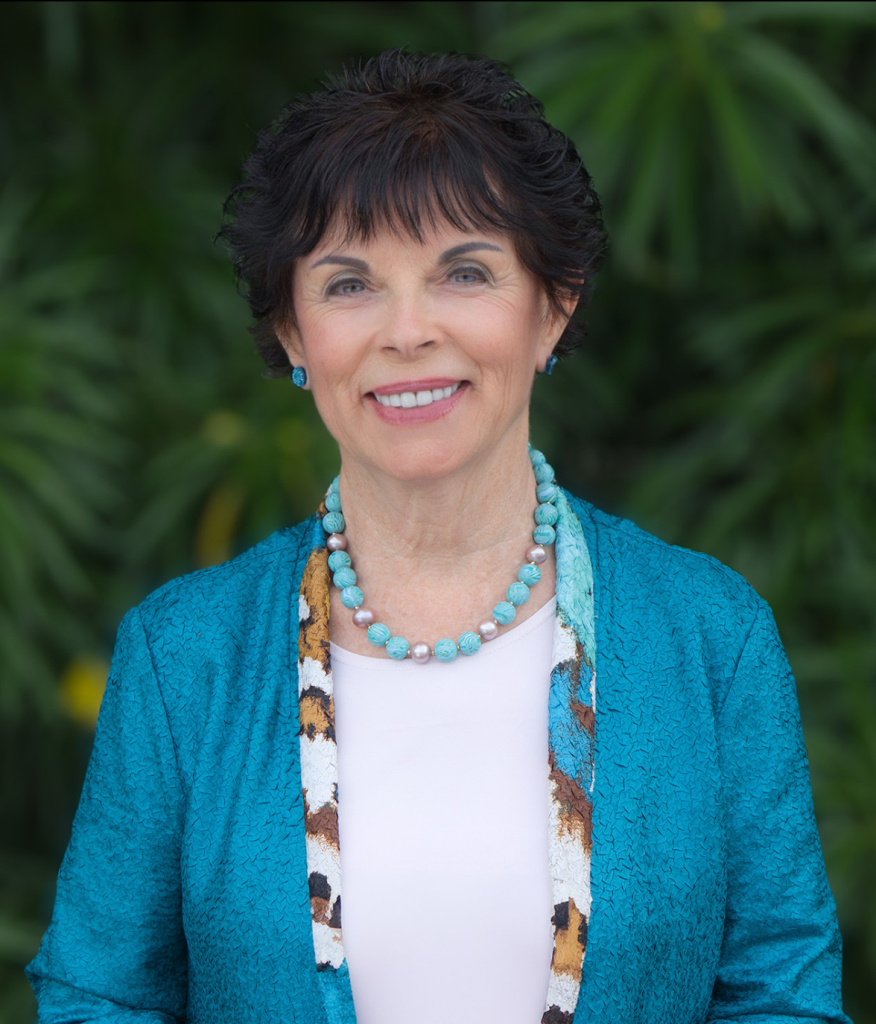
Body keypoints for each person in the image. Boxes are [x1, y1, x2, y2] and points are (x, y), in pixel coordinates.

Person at [27, 49, 849, 1024]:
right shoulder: (183, 656)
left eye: (463, 271)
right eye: (348, 284)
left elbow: (780, 992)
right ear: (292, 333)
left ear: (556, 304)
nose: (407, 330)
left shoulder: (713, 638)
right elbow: (99, 997)